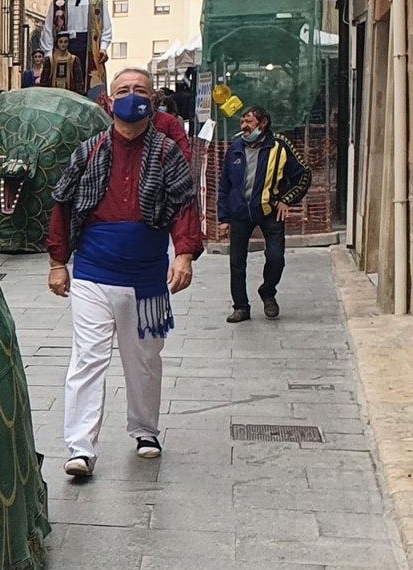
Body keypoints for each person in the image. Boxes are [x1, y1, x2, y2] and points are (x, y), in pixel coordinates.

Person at [47, 68, 202, 477]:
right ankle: (80, 448)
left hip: (147, 281)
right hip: (92, 275)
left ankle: (145, 430)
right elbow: (62, 206)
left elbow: (186, 205)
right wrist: (57, 262)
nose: (133, 97)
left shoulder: (169, 153)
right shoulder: (88, 152)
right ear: (108, 102)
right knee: (87, 359)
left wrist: (184, 254)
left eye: (141, 91)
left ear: (154, 101)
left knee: (145, 360)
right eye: (124, 91)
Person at [218, 105, 309, 322]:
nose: (244, 126)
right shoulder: (235, 149)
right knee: (237, 262)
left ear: (263, 123)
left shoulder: (280, 146)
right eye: (242, 122)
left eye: (248, 121)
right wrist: (223, 217)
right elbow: (224, 185)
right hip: (240, 213)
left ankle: (268, 292)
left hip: (270, 212)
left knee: (276, 258)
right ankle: (241, 307)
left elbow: (303, 175)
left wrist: (287, 200)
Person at [37, 0, 114, 100]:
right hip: (64, 47)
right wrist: (48, 54)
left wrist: (103, 47)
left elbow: (106, 27)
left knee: (91, 87)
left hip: (90, 47)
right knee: (64, 88)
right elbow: (48, 27)